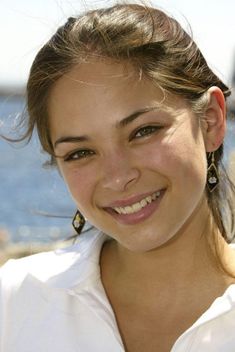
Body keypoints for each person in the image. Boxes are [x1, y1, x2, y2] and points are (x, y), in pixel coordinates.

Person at [1, 3, 235, 351]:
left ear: (211, 121)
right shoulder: (14, 304)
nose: (117, 177)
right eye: (80, 153)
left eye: (143, 131)